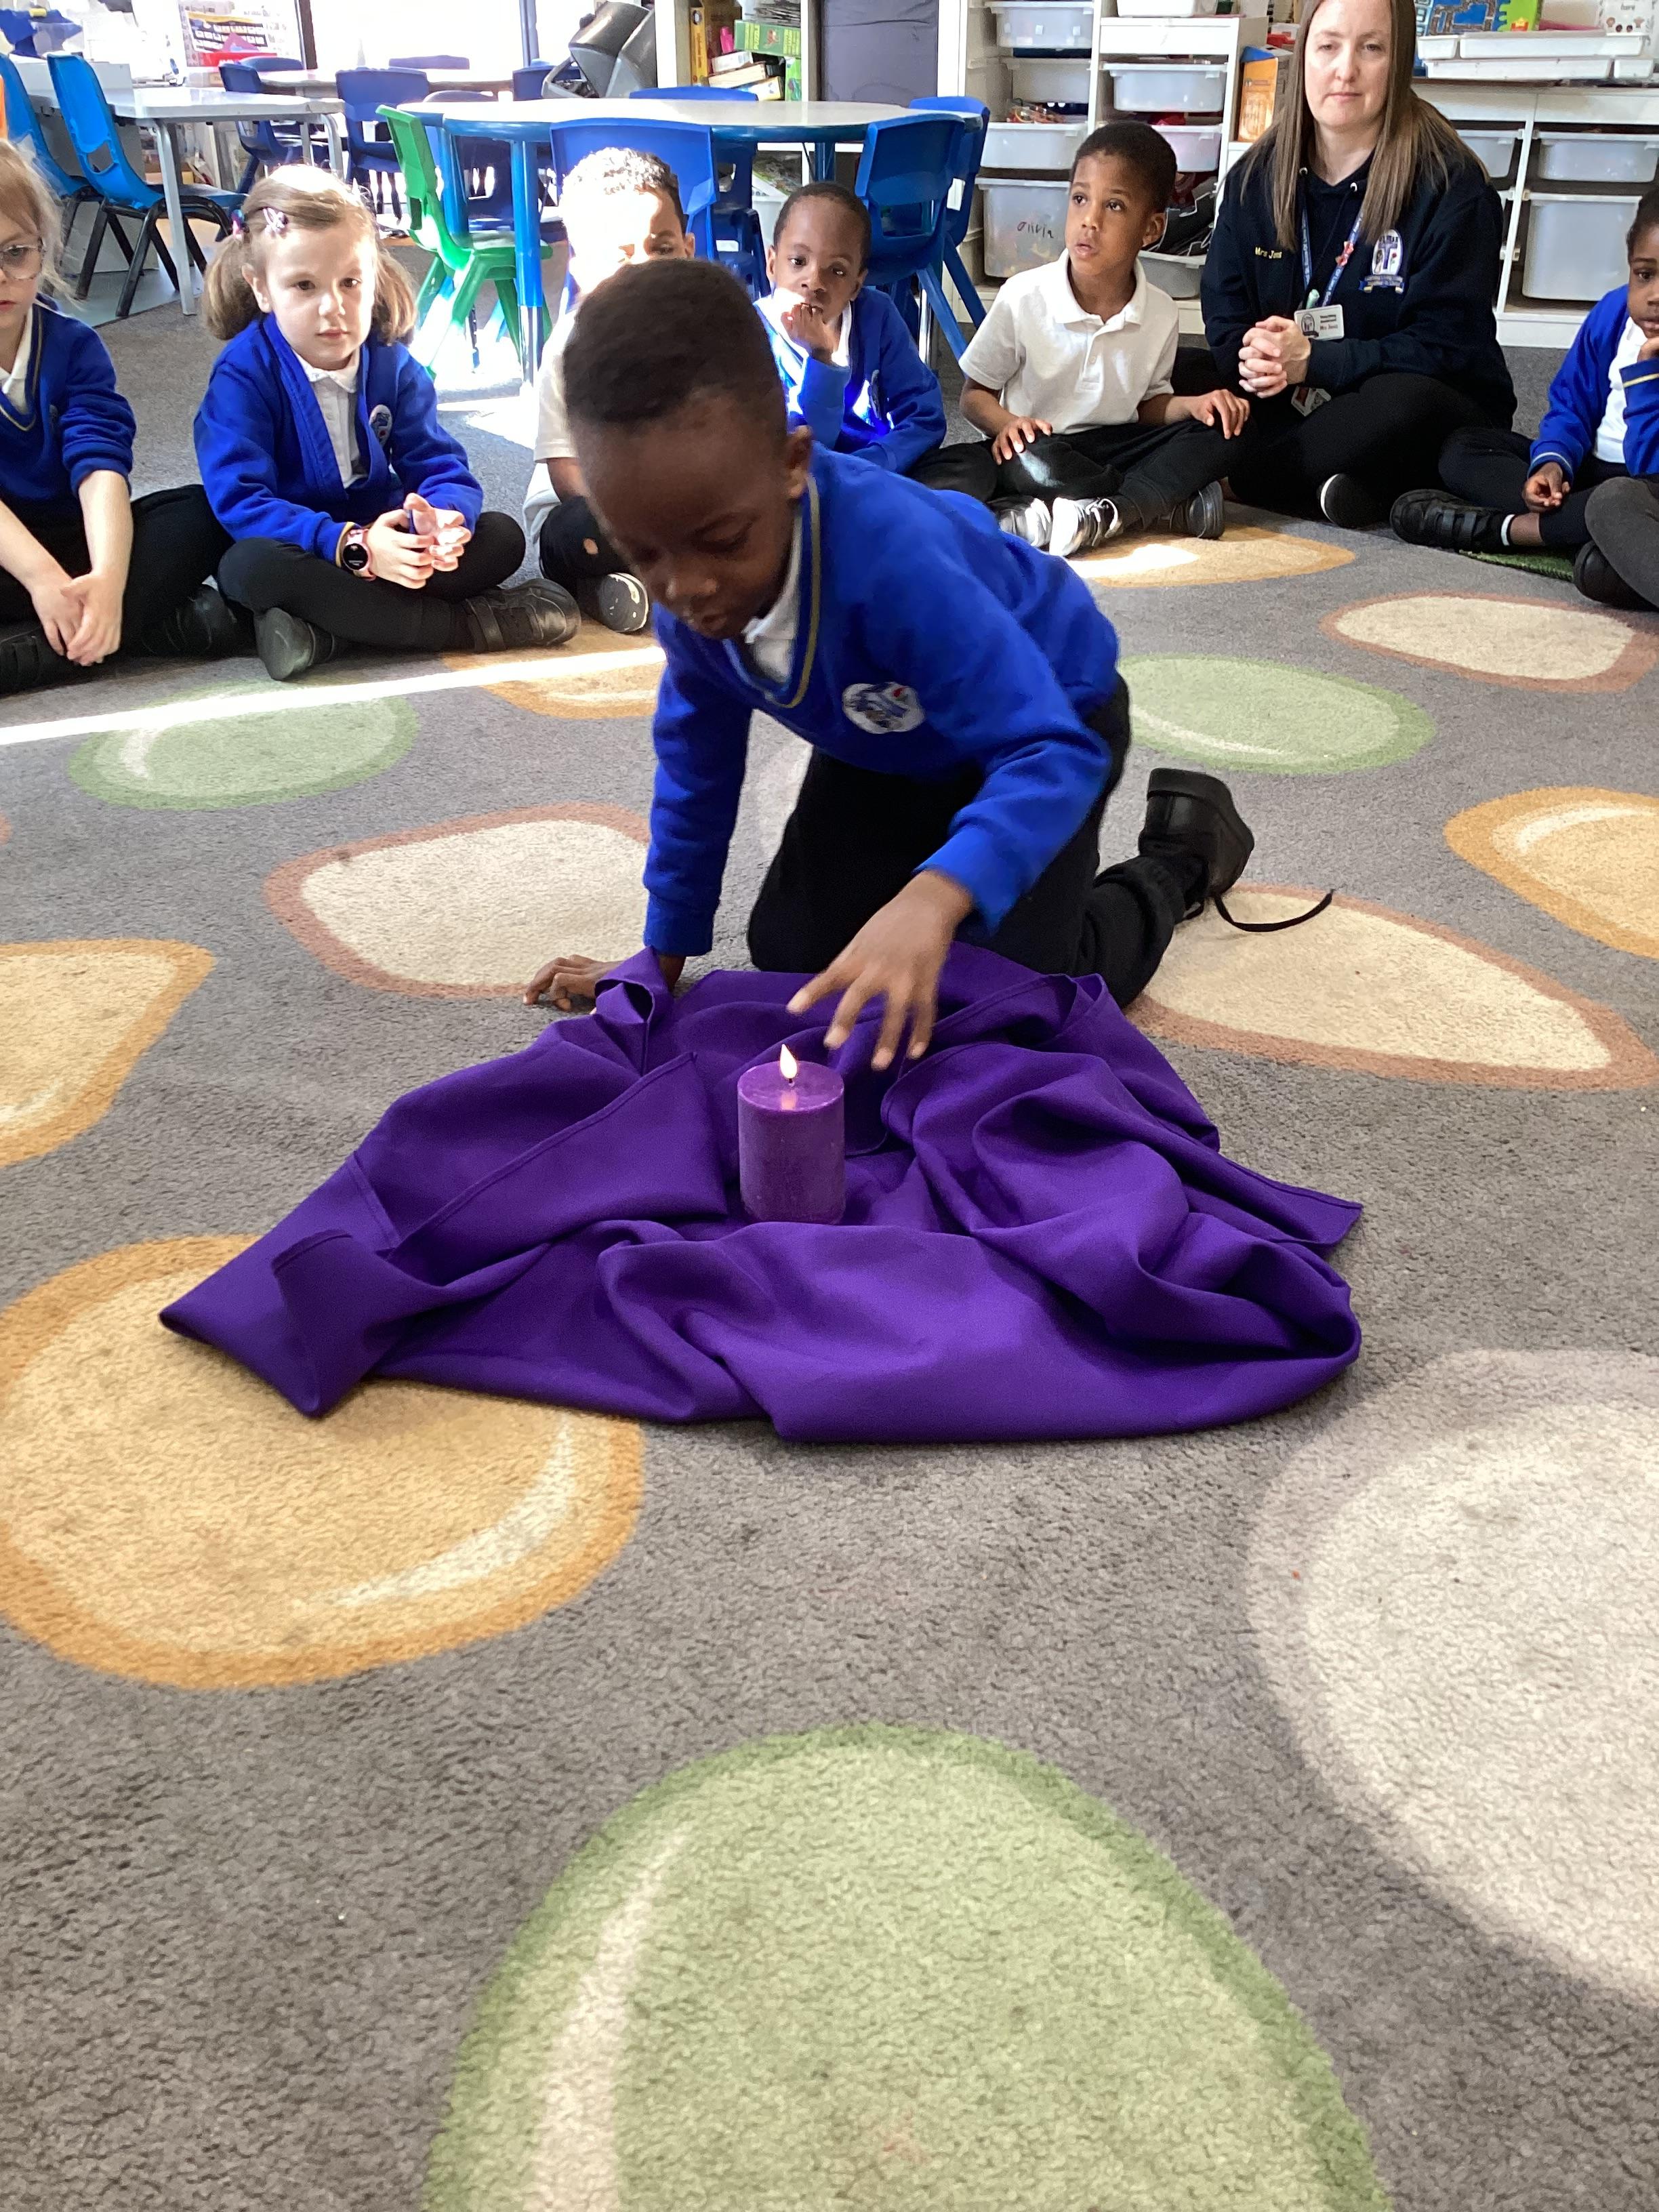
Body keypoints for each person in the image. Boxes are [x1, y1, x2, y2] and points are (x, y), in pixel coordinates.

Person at [523, 258, 1266, 1071]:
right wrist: (658, 959)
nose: (686, 588)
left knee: (1004, 1004)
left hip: (1046, 717)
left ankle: (1181, 859)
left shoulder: (893, 565)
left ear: (794, 463)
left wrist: (935, 898)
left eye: (723, 540)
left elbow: (1051, 752)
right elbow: (696, 774)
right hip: (885, 731)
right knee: (791, 956)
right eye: (643, 553)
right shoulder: (691, 582)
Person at [196, 169, 574, 683]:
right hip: (301, 546)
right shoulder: (242, 375)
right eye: (304, 286)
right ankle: (468, 627)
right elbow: (243, 502)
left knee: (501, 537)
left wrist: (440, 522)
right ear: (261, 288)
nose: (333, 308)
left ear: (373, 276)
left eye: (350, 283)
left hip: (386, 532)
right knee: (248, 569)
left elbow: (437, 463)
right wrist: (354, 547)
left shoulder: (391, 363)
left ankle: (327, 633)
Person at [1200, 0, 1514, 528]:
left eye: (1371, 48)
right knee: (1176, 375)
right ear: (1304, 55)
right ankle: (1349, 488)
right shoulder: (1254, 178)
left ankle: (1242, 481)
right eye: (1328, 46)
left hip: (1420, 398)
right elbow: (1226, 317)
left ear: (1400, 59)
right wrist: (1255, 359)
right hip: (1293, 398)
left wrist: (1316, 362)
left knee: (1398, 404)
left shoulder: (1453, 185)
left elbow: (1445, 348)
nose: (1345, 70)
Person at [912, 123, 1245, 558]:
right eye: (1080, 199)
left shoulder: (1161, 312)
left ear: (1151, 229)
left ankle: (1101, 512)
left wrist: (1193, 406)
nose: (1090, 220)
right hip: (1038, 447)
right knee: (955, 474)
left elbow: (1147, 405)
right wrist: (1007, 424)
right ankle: (1159, 505)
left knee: (1225, 432)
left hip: (1117, 444)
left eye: (1114, 206)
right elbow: (975, 397)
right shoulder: (1024, 295)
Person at [0, 140, 237, 696]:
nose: (1, 276)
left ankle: (45, 647)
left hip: (76, 538)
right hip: (11, 558)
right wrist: (43, 580)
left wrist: (107, 579)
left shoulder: (73, 345)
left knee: (203, 512)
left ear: (43, 248)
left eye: (15, 253)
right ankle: (154, 628)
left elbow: (99, 464)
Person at [1392, 189, 1659, 607]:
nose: (1655, 295)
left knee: (1613, 509)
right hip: (1590, 477)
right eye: (1644, 275)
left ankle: (1510, 531)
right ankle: (1592, 539)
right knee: (1466, 447)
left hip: (1643, 490)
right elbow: (1572, 404)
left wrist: (1646, 377)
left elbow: (1649, 465)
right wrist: (1553, 463)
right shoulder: (1612, 314)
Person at [524, 146, 694, 634]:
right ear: (582, 271)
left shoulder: (707, 333)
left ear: (689, 249)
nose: (645, 268)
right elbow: (565, 472)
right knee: (580, 531)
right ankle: (607, 586)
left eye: (662, 249)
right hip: (593, 508)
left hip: (680, 505)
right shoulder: (570, 349)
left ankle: (636, 586)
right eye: (621, 256)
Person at [758, 180, 947, 479]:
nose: (814, 282)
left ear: (856, 285)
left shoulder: (877, 316)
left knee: (966, 468)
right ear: (772, 264)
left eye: (837, 271)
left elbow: (925, 417)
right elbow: (809, 448)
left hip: (878, 473)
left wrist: (870, 466)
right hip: (802, 488)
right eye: (798, 261)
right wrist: (821, 358)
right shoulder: (751, 334)